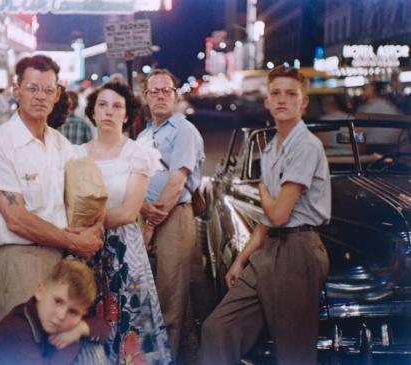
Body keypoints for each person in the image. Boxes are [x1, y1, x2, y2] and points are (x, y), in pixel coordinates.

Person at [199, 65, 331, 365]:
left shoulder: (306, 146)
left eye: (291, 94)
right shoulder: (271, 149)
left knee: (292, 353)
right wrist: (243, 259)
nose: (282, 99)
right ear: (267, 102)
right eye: (275, 93)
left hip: (298, 251)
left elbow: (280, 214)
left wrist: (263, 193)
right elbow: (268, 218)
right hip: (270, 250)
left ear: (304, 102)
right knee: (217, 329)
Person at [0, 55, 103, 323]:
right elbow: (16, 219)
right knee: (23, 348)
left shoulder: (61, 144)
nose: (40, 96)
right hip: (22, 260)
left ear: (57, 94)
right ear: (17, 90)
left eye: (48, 89)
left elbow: (88, 198)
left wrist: (94, 229)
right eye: (32, 88)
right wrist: (74, 242)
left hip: (63, 262)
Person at [79, 81, 173, 364]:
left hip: (123, 252)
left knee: (130, 326)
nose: (109, 112)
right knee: (88, 326)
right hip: (83, 252)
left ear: (127, 115)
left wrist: (83, 223)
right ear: (93, 112)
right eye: (102, 105)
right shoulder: (75, 153)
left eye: (117, 106)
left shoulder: (138, 154)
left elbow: (128, 212)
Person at [136, 69, 205, 362]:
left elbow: (177, 184)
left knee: (170, 303)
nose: (161, 96)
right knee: (153, 301)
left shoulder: (184, 130)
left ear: (176, 95)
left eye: (167, 91)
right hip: (147, 218)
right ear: (146, 97)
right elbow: (136, 182)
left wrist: (149, 227)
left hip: (173, 219)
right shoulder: (143, 135)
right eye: (155, 91)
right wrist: (140, 208)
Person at [0, 260, 111, 365]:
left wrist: (79, 329)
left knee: (93, 349)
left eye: (73, 312)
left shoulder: (64, 319)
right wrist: (70, 344)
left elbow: (104, 327)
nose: (61, 316)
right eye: (58, 301)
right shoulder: (17, 328)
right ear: (40, 291)